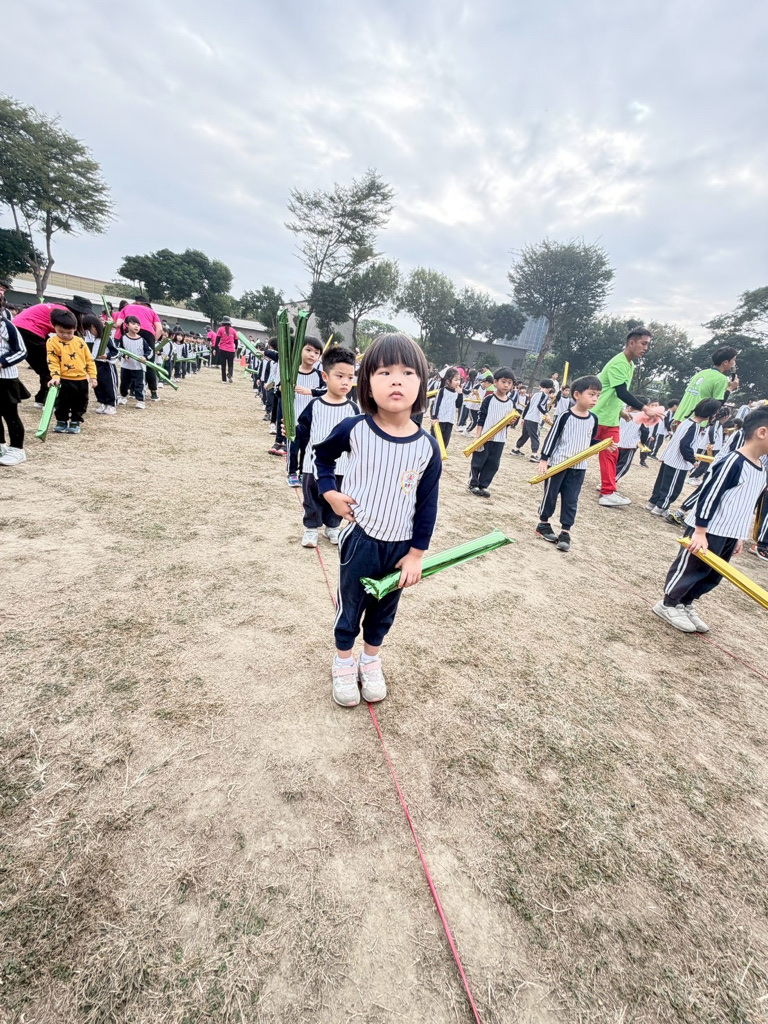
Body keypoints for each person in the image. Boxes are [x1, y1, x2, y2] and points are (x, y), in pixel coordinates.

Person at [313, 333, 441, 708]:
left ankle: (370, 661)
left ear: (421, 383)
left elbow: (427, 504)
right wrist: (330, 493)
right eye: (384, 372)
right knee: (351, 606)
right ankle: (343, 662)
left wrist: (416, 554)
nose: (396, 380)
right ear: (367, 382)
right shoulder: (355, 428)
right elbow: (322, 459)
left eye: (407, 372)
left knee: (384, 610)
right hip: (361, 540)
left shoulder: (427, 447)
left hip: (400, 549)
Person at [653, 406, 768, 633]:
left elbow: (747, 505)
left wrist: (739, 536)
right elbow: (709, 496)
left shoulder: (761, 468)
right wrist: (700, 531)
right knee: (692, 568)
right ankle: (668, 603)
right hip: (708, 530)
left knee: (712, 575)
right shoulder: (733, 462)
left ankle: (686, 602)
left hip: (729, 533)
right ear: (762, 432)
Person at [294, 347, 359, 547]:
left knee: (337, 497)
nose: (345, 382)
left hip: (342, 466)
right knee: (311, 498)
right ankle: (311, 529)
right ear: (325, 376)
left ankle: (333, 527)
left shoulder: (353, 409)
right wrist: (291, 431)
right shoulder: (314, 405)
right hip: (312, 464)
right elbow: (303, 431)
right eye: (340, 376)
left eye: (350, 377)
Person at [534, 375, 602, 552]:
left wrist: (604, 445)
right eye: (591, 394)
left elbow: (590, 442)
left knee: (571, 499)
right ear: (577, 395)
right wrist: (544, 460)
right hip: (558, 465)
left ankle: (565, 531)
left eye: (598, 395)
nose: (595, 399)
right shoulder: (565, 416)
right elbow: (552, 438)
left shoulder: (593, 419)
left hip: (579, 468)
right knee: (551, 495)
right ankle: (543, 524)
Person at [592, 328, 656, 507]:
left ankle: (607, 492)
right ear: (631, 343)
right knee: (578, 450)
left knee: (611, 454)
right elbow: (621, 392)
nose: (645, 348)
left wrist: (620, 411)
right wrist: (645, 409)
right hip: (598, 416)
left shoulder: (630, 364)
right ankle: (552, 470)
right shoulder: (618, 363)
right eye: (643, 343)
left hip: (611, 419)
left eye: (648, 345)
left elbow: (614, 392)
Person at [646, 399, 721, 515]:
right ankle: (661, 507)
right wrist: (692, 460)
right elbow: (685, 445)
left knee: (662, 483)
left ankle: (653, 502)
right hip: (678, 462)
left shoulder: (687, 422)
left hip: (670, 457)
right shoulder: (695, 427)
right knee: (672, 487)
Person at [13, 295, 92, 405]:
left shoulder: (58, 308)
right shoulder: (65, 314)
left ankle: (41, 398)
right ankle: (47, 400)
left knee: (47, 367)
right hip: (29, 331)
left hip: (20, 329)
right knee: (50, 368)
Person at [46, 309, 97, 435]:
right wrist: (55, 376)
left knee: (80, 402)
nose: (65, 335)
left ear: (75, 328)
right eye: (61, 332)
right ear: (53, 326)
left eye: (69, 332)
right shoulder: (52, 342)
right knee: (61, 402)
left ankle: (75, 421)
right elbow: (52, 361)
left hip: (81, 379)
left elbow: (89, 359)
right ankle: (61, 421)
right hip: (63, 379)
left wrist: (93, 376)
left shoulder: (80, 342)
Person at [468, 367, 516, 496]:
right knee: (478, 461)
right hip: (485, 437)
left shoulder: (510, 403)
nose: (506, 385)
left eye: (509, 383)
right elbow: (481, 418)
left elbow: (508, 422)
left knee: (493, 463)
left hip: (499, 439)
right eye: (503, 382)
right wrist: (478, 436)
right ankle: (473, 483)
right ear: (495, 382)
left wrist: (511, 422)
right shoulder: (489, 399)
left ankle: (483, 485)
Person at [287, 336, 326, 487]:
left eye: (316, 353)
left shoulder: (319, 375)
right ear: (300, 351)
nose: (312, 355)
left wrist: (310, 391)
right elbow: (278, 391)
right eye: (308, 350)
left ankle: (303, 472)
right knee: (293, 448)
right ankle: (291, 473)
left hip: (311, 421)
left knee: (307, 449)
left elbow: (327, 391)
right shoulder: (291, 373)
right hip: (294, 418)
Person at [673, 346, 740, 423]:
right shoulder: (721, 379)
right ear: (725, 362)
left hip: (679, 417)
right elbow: (717, 404)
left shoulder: (702, 373)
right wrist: (730, 388)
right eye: (734, 360)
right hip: (696, 421)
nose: (734, 363)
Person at [113, 298, 163, 400]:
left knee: (131, 361)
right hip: (148, 333)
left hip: (130, 332)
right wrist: (154, 341)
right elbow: (160, 329)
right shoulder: (151, 311)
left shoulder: (127, 307)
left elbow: (118, 324)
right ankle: (153, 393)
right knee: (149, 364)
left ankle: (132, 390)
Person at [0, 316, 30, 466]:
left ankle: (17, 449)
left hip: (6, 379)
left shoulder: (7, 326)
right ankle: (1, 446)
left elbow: (21, 351)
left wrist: (2, 362)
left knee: (10, 414)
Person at [82, 313, 119, 416]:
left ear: (95, 327)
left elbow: (116, 351)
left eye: (90, 329)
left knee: (109, 385)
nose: (90, 332)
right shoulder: (93, 340)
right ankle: (102, 402)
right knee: (98, 385)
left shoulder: (106, 338)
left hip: (106, 365)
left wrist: (107, 356)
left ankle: (111, 404)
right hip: (96, 364)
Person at [510, 379, 555, 460]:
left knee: (525, 435)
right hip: (534, 419)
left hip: (528, 418)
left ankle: (516, 449)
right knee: (535, 436)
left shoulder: (535, 394)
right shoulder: (545, 395)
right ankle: (534, 455)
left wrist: (523, 418)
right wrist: (546, 414)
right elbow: (540, 406)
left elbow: (527, 407)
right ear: (549, 388)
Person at [117, 316, 153, 409]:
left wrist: (145, 357)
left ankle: (140, 400)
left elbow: (149, 351)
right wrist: (124, 355)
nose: (136, 326)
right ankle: (123, 397)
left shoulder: (142, 340)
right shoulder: (123, 338)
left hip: (138, 367)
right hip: (126, 366)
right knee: (124, 383)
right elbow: (119, 350)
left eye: (138, 325)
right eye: (133, 324)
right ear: (126, 325)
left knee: (139, 384)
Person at [614, 400, 647, 484]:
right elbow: (645, 432)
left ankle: (607, 480)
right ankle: (611, 482)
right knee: (623, 465)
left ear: (630, 406)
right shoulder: (642, 418)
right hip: (630, 445)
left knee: (614, 464)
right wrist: (642, 442)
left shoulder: (621, 415)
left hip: (617, 442)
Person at [430, 367, 463, 448]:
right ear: (448, 381)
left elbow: (458, 405)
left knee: (445, 442)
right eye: (455, 380)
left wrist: (460, 394)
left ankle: (441, 455)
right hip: (439, 420)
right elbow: (436, 404)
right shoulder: (442, 391)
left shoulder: (457, 393)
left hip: (449, 421)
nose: (458, 382)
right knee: (434, 441)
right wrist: (434, 417)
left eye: (459, 380)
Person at [215, 317, 238, 382]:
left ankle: (224, 380)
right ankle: (230, 374)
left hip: (223, 349)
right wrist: (236, 348)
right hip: (231, 350)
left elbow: (217, 340)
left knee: (223, 365)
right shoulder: (233, 330)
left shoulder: (220, 329)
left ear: (223, 322)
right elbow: (236, 341)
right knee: (231, 364)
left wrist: (215, 348)